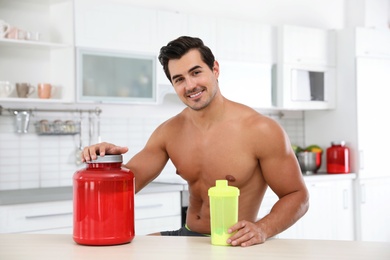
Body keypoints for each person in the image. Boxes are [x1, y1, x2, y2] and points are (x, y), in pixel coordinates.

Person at [82, 36, 309, 247]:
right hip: (188, 236)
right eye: (179, 79)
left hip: (233, 244)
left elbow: (297, 195)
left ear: (215, 69)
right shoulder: (169, 131)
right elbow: (125, 186)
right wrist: (106, 162)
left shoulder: (260, 130)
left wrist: (262, 229)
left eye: (196, 72)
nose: (190, 86)